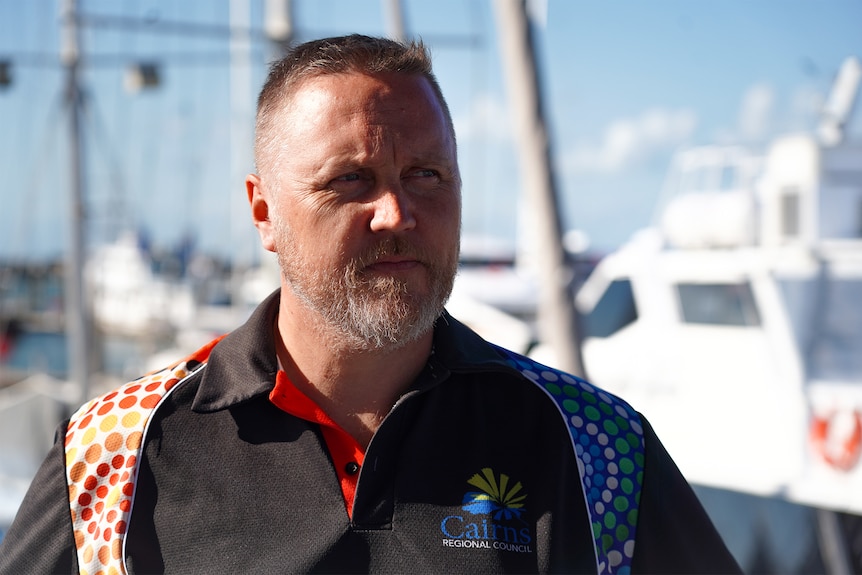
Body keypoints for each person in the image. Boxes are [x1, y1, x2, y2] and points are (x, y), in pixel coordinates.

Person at [0, 34, 740, 574]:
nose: (397, 211)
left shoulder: (596, 449)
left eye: (426, 175)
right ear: (263, 213)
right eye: (351, 180)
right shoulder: (112, 456)